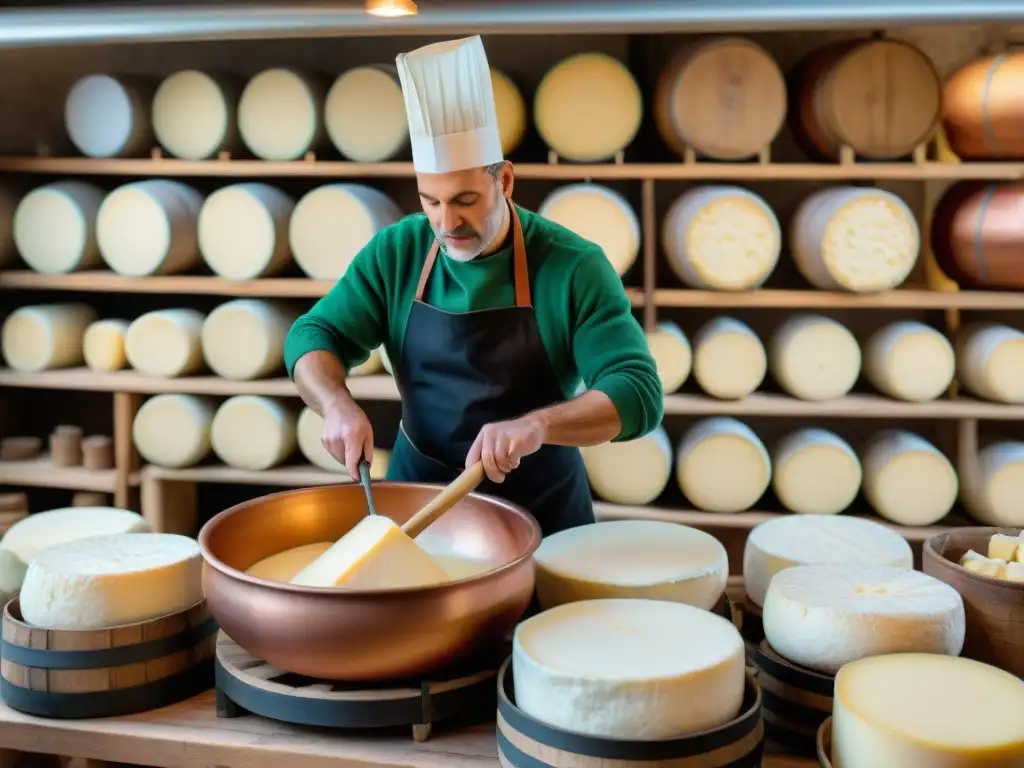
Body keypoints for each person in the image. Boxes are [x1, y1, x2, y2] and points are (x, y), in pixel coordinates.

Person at [284, 35, 662, 536]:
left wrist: (538, 425)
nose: (447, 222)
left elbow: (637, 391)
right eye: (431, 201)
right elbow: (314, 335)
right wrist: (335, 403)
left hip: (541, 514)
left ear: (504, 180)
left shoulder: (573, 266)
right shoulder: (396, 253)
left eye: (465, 199)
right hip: (421, 505)